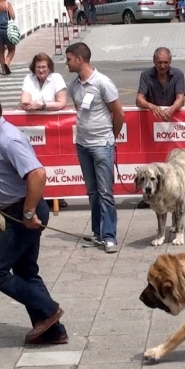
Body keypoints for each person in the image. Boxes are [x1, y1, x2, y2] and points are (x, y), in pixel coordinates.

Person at [0, 92, 68, 345]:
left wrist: (29, 213)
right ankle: (53, 332)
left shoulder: (8, 139)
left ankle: (49, 309)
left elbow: (37, 174)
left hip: (22, 213)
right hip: (17, 211)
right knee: (26, 272)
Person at [65, 42, 124, 253]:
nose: (66, 63)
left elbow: (119, 114)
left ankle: (109, 236)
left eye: (69, 59)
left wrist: (110, 137)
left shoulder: (103, 83)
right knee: (93, 193)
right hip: (82, 145)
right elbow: (80, 111)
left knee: (105, 191)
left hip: (102, 145)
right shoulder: (74, 86)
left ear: (79, 59)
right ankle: (98, 233)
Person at [136, 47, 185, 209]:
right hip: (151, 127)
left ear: (170, 62)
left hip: (172, 126)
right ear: (154, 62)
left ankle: (172, 193)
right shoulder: (145, 75)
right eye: (159, 63)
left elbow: (181, 98)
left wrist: (171, 109)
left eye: (165, 62)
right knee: (150, 162)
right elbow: (139, 99)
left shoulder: (178, 74)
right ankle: (147, 196)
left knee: (173, 161)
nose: (163, 65)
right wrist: (151, 106)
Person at [20, 52, 69, 209]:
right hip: (33, 129)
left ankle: (58, 194)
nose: (41, 70)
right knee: (34, 162)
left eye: (43, 67)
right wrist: (42, 104)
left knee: (55, 160)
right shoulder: (29, 79)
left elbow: (61, 103)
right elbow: (24, 102)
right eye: (38, 67)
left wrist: (41, 106)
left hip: (54, 127)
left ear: (49, 68)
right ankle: (38, 194)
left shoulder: (57, 78)